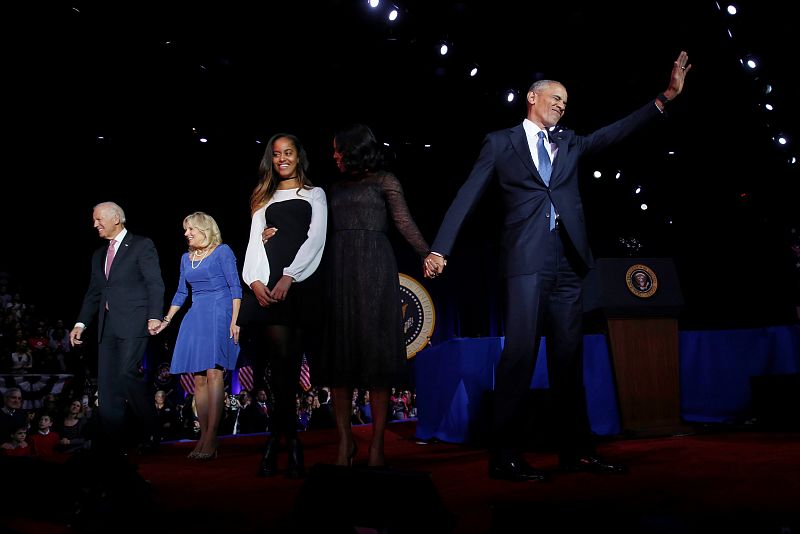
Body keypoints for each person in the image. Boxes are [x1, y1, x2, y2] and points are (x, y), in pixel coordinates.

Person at [424, 52, 692, 481]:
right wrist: (440, 248)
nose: (562, 105)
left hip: (569, 263)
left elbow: (614, 133)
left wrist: (663, 98)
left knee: (569, 359)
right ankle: (505, 456)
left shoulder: (569, 141)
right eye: (556, 97)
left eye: (566, 101)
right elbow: (467, 195)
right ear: (532, 97)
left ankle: (577, 451)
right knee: (520, 356)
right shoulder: (500, 142)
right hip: (525, 262)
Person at [320, 123, 430, 467]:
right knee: (341, 361)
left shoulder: (386, 181)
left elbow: (404, 222)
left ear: (354, 149)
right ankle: (344, 443)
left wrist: (427, 253)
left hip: (376, 269)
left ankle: (378, 446)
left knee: (377, 359)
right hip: (338, 269)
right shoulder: (334, 186)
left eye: (339, 149)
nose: (335, 155)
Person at [239, 133, 327, 478]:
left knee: (292, 365)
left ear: (298, 156)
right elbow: (253, 243)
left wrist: (290, 275)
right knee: (279, 368)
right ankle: (283, 439)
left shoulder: (314, 194)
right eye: (276, 154)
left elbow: (316, 238)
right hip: (269, 286)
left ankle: (282, 439)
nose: (282, 159)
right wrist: (255, 280)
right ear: (271, 159)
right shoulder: (263, 196)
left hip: (302, 284)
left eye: (288, 153)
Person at [70, 201, 165, 456]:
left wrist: (155, 315)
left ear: (116, 218)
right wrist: (81, 323)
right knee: (108, 383)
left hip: (135, 321)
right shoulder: (98, 255)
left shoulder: (141, 245)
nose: (94, 224)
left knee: (127, 374)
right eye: (94, 220)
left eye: (98, 219)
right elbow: (94, 292)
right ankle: (113, 443)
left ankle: (151, 429)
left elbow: (154, 283)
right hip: (106, 325)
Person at [157, 211, 242, 460]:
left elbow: (235, 286)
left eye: (190, 229)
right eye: (185, 230)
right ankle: (203, 435)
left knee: (215, 373)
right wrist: (167, 320)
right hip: (196, 314)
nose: (186, 234)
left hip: (220, 311)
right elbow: (182, 292)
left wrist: (236, 321)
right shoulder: (186, 258)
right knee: (198, 378)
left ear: (204, 229)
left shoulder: (222, 251)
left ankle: (213, 437)